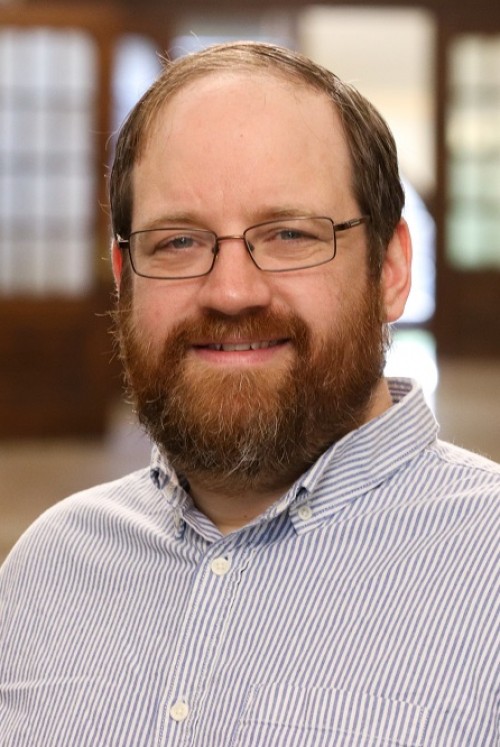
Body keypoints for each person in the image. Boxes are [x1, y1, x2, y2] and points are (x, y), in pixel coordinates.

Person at [1, 41, 498, 746]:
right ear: (124, 277)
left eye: (290, 233)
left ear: (390, 269)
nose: (231, 291)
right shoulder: (45, 571)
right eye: (178, 242)